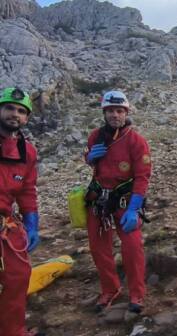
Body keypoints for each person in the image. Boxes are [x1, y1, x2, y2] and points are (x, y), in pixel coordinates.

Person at [85, 90, 152, 313]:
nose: (115, 115)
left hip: (125, 201)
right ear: (104, 112)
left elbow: (142, 177)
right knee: (98, 247)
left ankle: (137, 293)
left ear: (126, 113)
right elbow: (90, 160)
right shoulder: (96, 136)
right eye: (111, 111)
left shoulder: (136, 141)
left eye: (119, 111)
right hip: (98, 200)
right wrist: (89, 158)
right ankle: (110, 289)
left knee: (132, 247)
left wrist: (134, 208)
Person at [0, 87, 41, 336]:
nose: (15, 114)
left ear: (26, 118)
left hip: (5, 223)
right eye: (9, 108)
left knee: (18, 276)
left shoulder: (27, 152)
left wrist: (32, 222)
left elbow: (27, 190)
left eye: (21, 111)